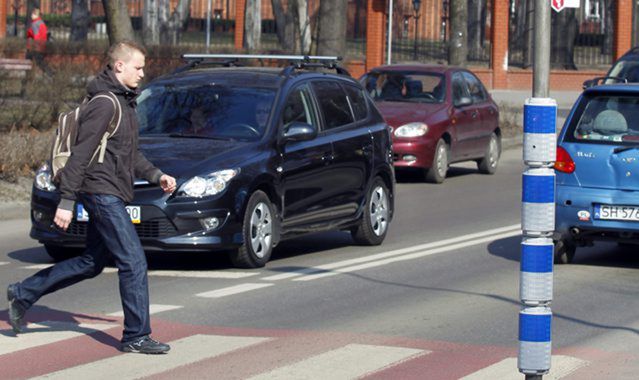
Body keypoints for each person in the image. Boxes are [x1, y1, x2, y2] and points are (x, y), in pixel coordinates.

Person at [7, 40, 177, 355]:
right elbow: (80, 155)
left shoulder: (125, 102)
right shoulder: (105, 103)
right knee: (133, 260)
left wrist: (157, 175)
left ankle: (22, 292)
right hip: (102, 192)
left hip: (111, 190)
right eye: (138, 67)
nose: (143, 73)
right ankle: (136, 335)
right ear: (119, 66)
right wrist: (67, 202)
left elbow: (130, 153)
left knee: (91, 262)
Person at [26, 8, 50, 75]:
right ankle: (49, 73)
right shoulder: (41, 22)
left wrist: (33, 46)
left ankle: (50, 73)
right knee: (40, 62)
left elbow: (36, 36)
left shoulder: (34, 24)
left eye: (33, 14)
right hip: (42, 45)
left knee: (31, 61)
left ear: (37, 15)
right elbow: (46, 33)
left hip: (36, 46)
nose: (31, 16)